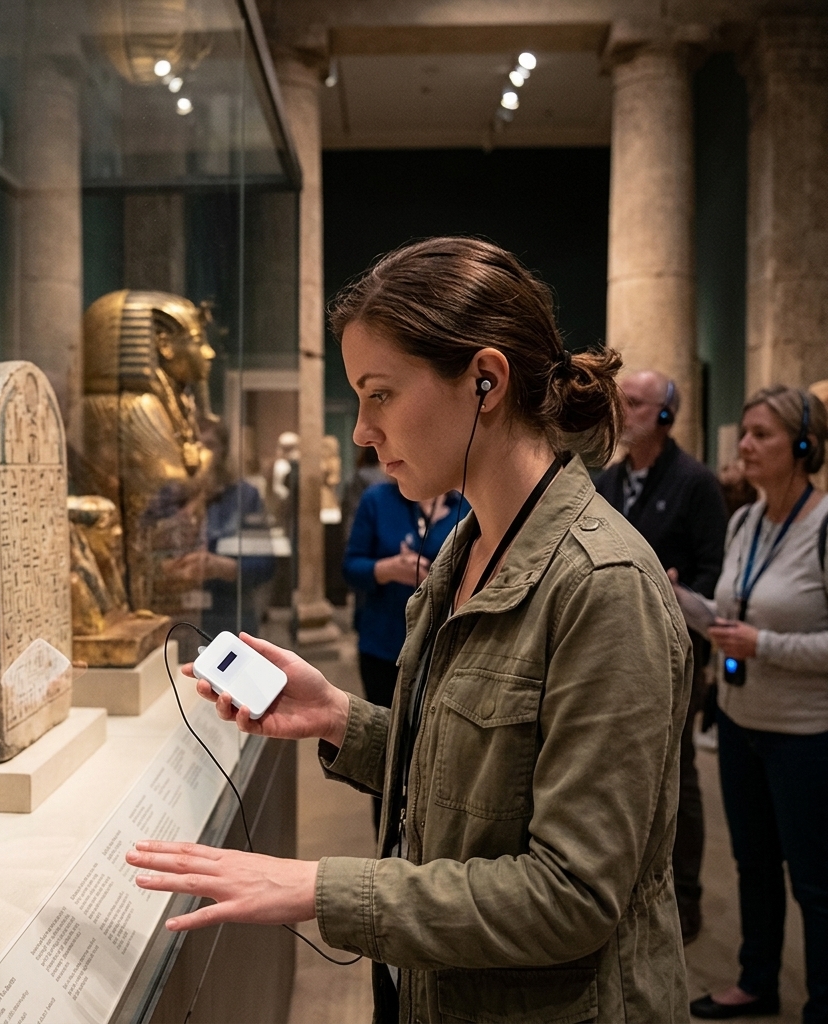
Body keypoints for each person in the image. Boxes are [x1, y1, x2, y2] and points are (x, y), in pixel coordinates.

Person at [125, 237, 692, 1024]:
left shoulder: (602, 587)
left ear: (484, 382)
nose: (360, 430)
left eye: (380, 393)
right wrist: (340, 718)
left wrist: (316, 889)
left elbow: (571, 895)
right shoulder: (469, 545)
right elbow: (481, 779)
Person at [689, 386, 828, 1023]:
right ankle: (756, 979)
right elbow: (730, 613)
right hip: (741, 723)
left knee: (815, 880)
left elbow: (761, 631)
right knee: (753, 865)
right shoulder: (744, 520)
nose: (744, 445)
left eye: (761, 435)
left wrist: (761, 643)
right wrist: (685, 602)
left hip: (805, 733)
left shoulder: (823, 526)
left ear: (804, 446)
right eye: (743, 431)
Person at [595, 370, 727, 943]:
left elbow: (712, 573)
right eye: (621, 402)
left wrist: (679, 590)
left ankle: (687, 897)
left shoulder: (696, 482)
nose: (623, 411)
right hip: (611, 652)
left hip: (675, 653)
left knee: (679, 772)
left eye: (636, 402)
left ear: (667, 415)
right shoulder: (607, 479)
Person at [343, 481, 462, 827]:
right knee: (385, 752)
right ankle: (387, 842)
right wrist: (388, 569)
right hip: (383, 645)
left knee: (438, 749)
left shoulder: (464, 502)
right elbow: (351, 567)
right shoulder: (377, 499)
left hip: (442, 648)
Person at [162, 420, 275, 637]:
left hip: (228, 615)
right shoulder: (169, 495)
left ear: (223, 451)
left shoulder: (244, 496)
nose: (201, 454)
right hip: (175, 618)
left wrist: (220, 567)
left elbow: (265, 564)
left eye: (210, 445)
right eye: (195, 446)